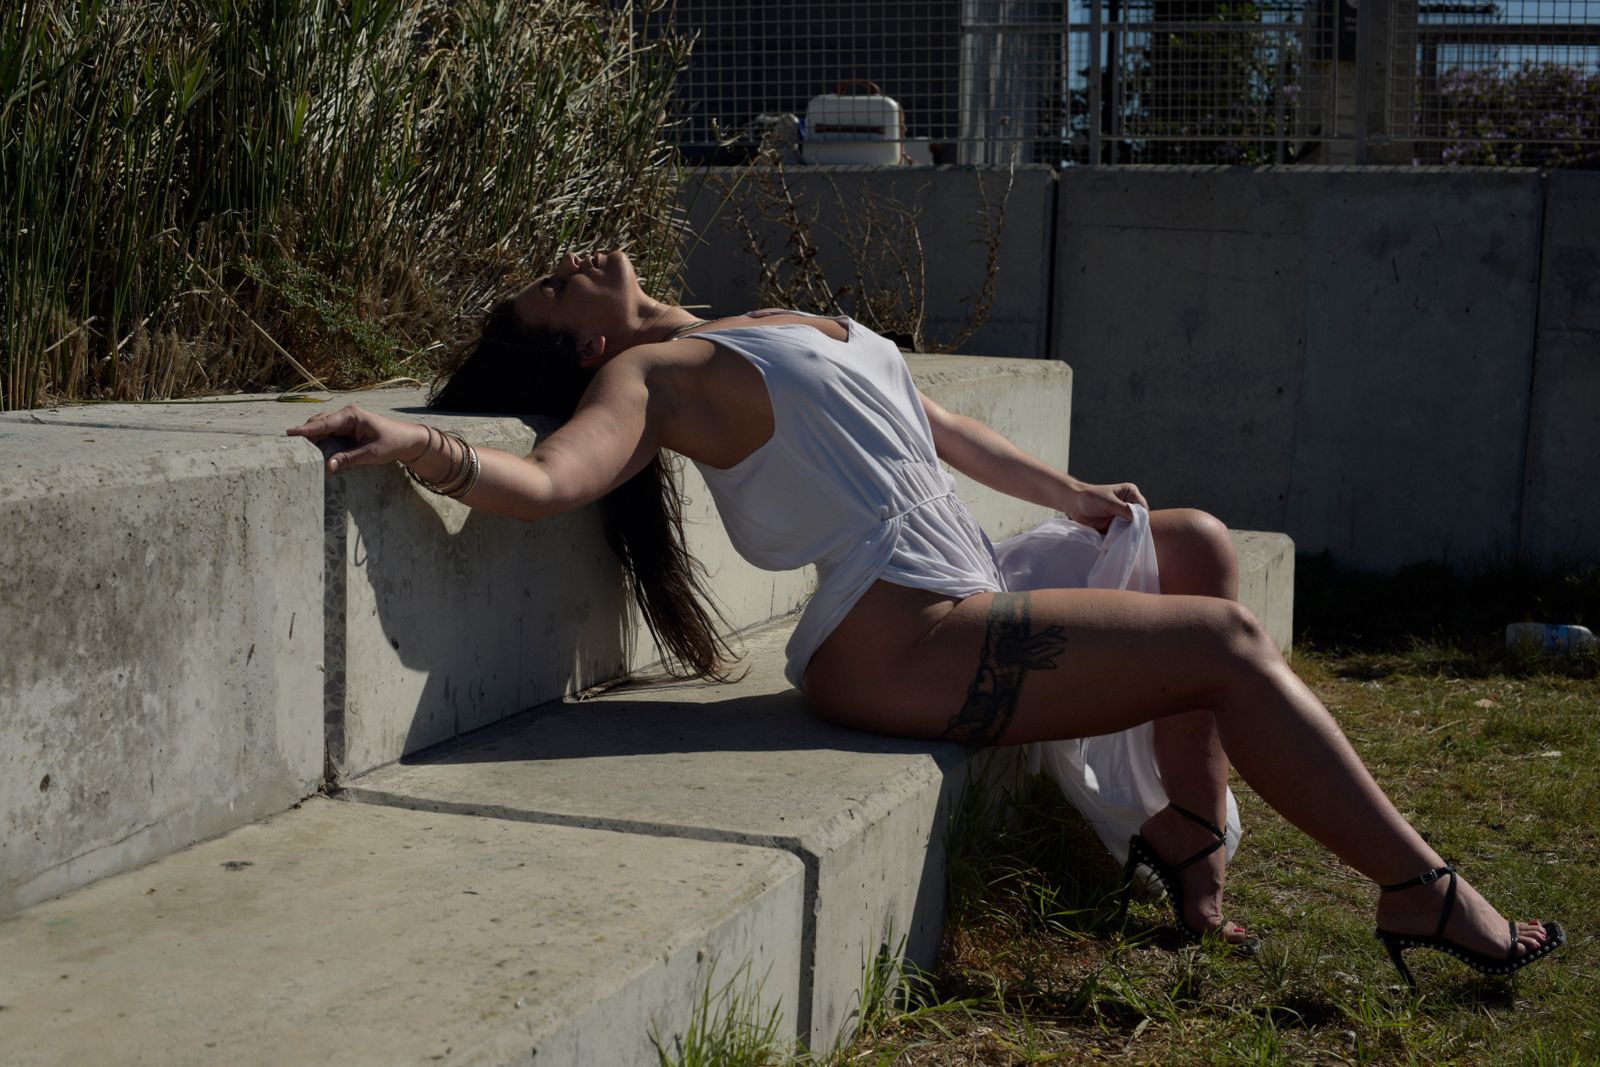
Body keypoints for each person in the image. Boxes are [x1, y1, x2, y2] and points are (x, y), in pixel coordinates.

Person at [288, 249, 1563, 986]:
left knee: (1196, 543)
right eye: (547, 294)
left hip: (962, 582)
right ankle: (1417, 889)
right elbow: (550, 481)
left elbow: (935, 423)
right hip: (896, 638)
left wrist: (1071, 494)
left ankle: (1185, 831)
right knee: (1222, 645)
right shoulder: (649, 375)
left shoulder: (759, 316)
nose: (564, 268)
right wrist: (418, 443)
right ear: (577, 352)